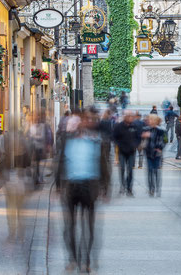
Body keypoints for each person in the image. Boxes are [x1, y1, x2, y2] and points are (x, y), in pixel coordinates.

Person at [56, 107, 109, 273]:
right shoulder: (67, 140)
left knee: (89, 228)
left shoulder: (97, 142)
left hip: (89, 186)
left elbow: (103, 166)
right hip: (71, 186)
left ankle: (86, 261)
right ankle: (73, 259)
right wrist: (58, 186)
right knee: (69, 227)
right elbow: (60, 163)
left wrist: (105, 188)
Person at [113, 111, 138, 196]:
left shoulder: (134, 126)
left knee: (130, 170)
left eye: (132, 116)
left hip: (131, 151)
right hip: (122, 151)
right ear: (125, 117)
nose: (130, 117)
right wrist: (119, 144)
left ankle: (129, 188)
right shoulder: (119, 126)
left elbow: (138, 137)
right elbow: (114, 137)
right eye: (129, 116)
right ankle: (122, 186)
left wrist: (135, 144)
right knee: (122, 169)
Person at [143, 114, 165, 196]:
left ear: (155, 121)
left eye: (151, 119)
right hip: (148, 153)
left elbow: (164, 141)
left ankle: (158, 188)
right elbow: (140, 137)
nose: (149, 121)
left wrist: (160, 147)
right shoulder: (146, 129)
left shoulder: (161, 130)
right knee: (150, 171)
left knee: (156, 171)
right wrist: (143, 136)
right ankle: (151, 189)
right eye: (149, 119)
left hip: (157, 154)